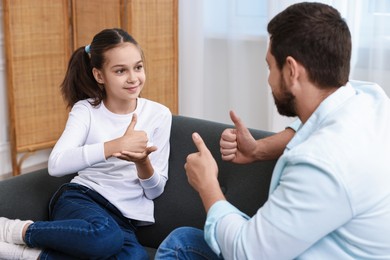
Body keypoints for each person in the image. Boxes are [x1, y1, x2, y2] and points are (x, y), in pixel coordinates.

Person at [155, 2, 390, 259]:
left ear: (291, 71)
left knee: (179, 248)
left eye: (270, 67)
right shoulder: (370, 98)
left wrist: (207, 184)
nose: (268, 79)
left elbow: (248, 253)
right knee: (183, 240)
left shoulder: (321, 162)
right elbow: (315, 121)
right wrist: (259, 149)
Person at [0, 28, 171, 259]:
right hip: (81, 199)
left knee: (135, 257)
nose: (133, 78)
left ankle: (22, 255)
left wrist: (143, 163)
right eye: (120, 70)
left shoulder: (159, 114)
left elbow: (154, 191)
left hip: (123, 219)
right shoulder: (86, 110)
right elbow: (56, 164)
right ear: (99, 76)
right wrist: (116, 145)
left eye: (138, 67)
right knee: (103, 237)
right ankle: (13, 230)